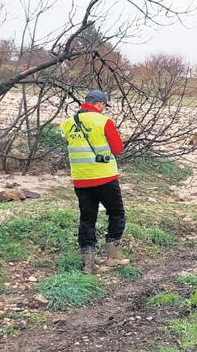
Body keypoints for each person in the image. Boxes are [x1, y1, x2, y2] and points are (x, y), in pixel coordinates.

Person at [60, 90, 129, 273]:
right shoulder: (103, 121)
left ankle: (88, 263)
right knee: (116, 213)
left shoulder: (68, 123)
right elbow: (118, 148)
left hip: (81, 179)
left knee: (87, 219)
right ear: (100, 104)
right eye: (104, 106)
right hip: (105, 177)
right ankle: (113, 256)